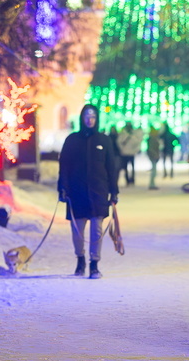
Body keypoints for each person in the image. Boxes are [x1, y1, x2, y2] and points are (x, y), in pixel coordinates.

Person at [58, 104, 119, 279]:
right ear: (82, 118)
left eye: (92, 117)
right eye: (87, 117)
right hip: (76, 192)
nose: (90, 120)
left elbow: (111, 167)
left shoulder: (104, 140)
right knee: (77, 231)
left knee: (96, 231)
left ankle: (94, 264)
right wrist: (62, 188)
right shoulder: (72, 140)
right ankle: (80, 259)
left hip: (99, 192)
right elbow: (64, 166)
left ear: (97, 119)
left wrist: (114, 191)